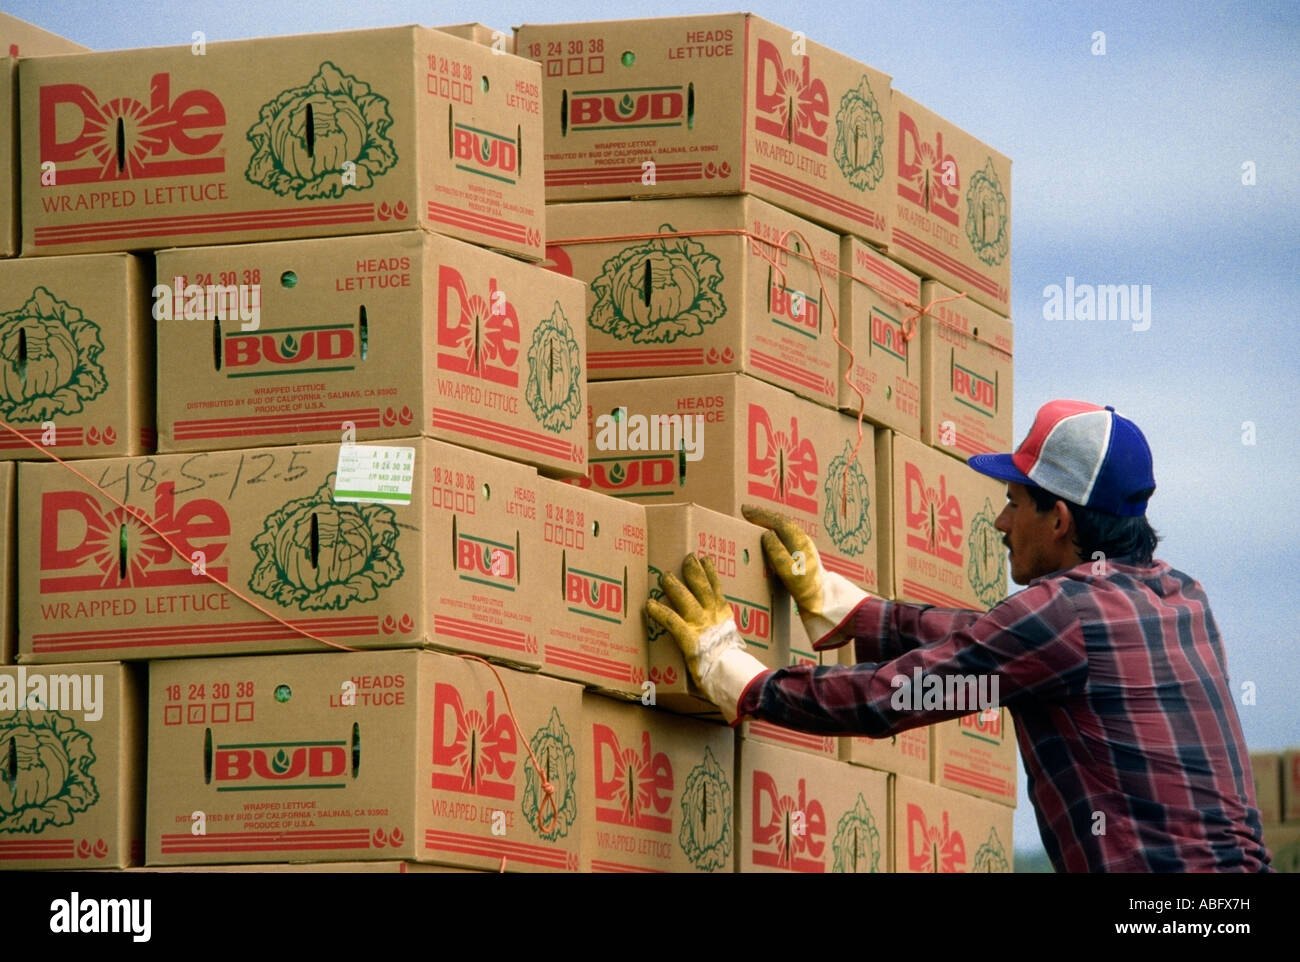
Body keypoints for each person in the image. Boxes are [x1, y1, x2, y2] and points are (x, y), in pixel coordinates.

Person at [645, 399, 1272, 872]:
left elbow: (889, 698)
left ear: (1058, 519)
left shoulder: (1062, 615)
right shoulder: (1181, 597)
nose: (1000, 521)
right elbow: (994, 641)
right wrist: (849, 610)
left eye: (1013, 501)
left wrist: (740, 679)